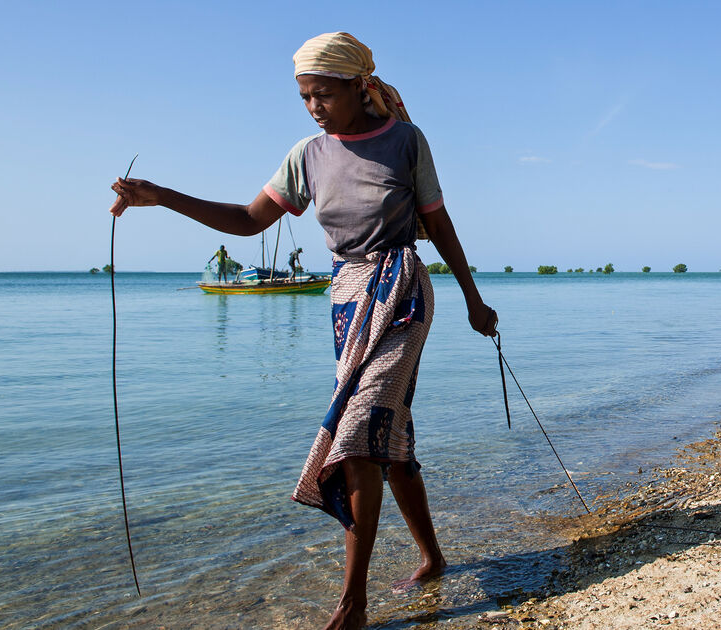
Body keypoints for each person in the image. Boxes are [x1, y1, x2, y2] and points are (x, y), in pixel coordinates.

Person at [109, 32, 497, 630]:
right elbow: (245, 221)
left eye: (324, 94)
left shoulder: (404, 141)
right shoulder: (307, 155)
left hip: (401, 296)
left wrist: (474, 298)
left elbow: (438, 222)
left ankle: (352, 603)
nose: (315, 106)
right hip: (346, 300)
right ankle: (433, 557)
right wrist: (160, 196)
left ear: (358, 86)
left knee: (360, 435)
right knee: (390, 438)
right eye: (304, 97)